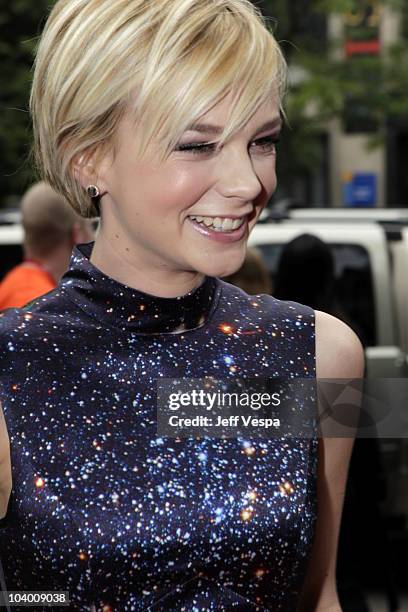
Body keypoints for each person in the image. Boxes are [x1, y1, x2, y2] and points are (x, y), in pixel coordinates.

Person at [0, 1, 364, 611]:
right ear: (87, 156)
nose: (248, 184)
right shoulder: (14, 366)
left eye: (263, 141)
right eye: (197, 145)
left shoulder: (323, 352)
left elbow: (316, 592)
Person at [0, 182, 95, 310]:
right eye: (90, 227)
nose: (94, 237)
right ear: (77, 234)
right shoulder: (39, 302)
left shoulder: (17, 284)